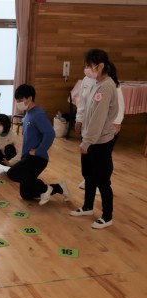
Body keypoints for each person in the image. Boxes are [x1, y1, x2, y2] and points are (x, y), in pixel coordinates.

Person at [70, 49, 119, 229]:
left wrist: (87, 142)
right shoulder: (94, 83)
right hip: (90, 138)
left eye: (89, 66)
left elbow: (98, 119)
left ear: (100, 66)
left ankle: (107, 216)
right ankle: (88, 206)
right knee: (88, 175)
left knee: (102, 180)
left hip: (100, 141)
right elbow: (88, 110)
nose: (87, 69)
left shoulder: (106, 86)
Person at [7, 84, 69, 205]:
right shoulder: (28, 114)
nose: (18, 103)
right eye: (17, 100)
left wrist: (38, 150)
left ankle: (47, 189)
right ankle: (59, 187)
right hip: (27, 157)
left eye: (20, 100)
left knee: (12, 173)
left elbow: (50, 133)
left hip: (37, 159)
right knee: (26, 194)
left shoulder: (38, 114)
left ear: (29, 98)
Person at [76, 72, 125, 191]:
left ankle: (102, 181)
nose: (87, 69)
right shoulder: (86, 80)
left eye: (90, 65)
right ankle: (89, 180)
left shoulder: (109, 83)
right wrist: (79, 118)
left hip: (105, 126)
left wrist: (117, 122)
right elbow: (82, 102)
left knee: (103, 156)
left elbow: (119, 104)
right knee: (88, 154)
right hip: (88, 125)